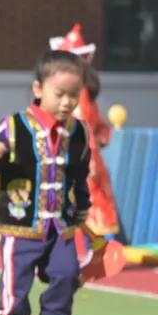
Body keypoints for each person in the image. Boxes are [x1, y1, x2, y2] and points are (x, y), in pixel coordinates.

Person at [0, 50, 92, 315]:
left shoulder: (79, 132)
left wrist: (82, 209)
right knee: (16, 281)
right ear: (38, 89)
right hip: (20, 223)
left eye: (74, 95)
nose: (67, 103)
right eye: (60, 94)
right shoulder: (13, 126)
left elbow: (80, 175)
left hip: (61, 224)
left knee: (68, 273)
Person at [49, 23, 119, 236]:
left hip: (76, 156)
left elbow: (89, 125)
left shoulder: (77, 94)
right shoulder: (74, 93)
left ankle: (94, 253)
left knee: (85, 205)